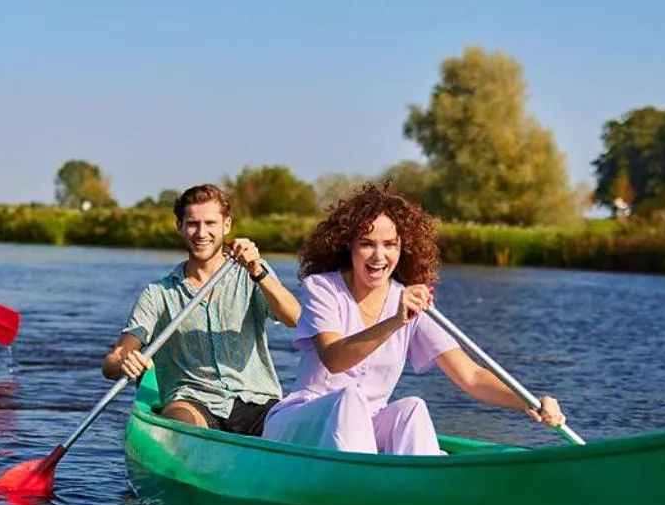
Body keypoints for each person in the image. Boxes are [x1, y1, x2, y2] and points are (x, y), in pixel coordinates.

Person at [260, 184, 566, 455]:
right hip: (302, 424)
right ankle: (370, 485)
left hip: (364, 429)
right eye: (367, 243)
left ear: (402, 247)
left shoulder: (411, 300)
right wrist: (394, 321)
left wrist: (528, 401)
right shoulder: (322, 287)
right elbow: (334, 358)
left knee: (412, 408)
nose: (379, 256)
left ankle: (426, 491)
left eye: (390, 244)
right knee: (349, 399)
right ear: (348, 246)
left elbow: (471, 377)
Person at [100, 183, 302, 433]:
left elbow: (296, 318)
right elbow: (112, 362)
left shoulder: (253, 273)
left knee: (299, 424)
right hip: (192, 403)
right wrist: (124, 362)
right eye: (193, 223)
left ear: (226, 226)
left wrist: (258, 271)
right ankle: (184, 457)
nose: (201, 232)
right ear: (180, 227)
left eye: (210, 223)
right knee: (179, 419)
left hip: (257, 402)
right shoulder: (158, 294)